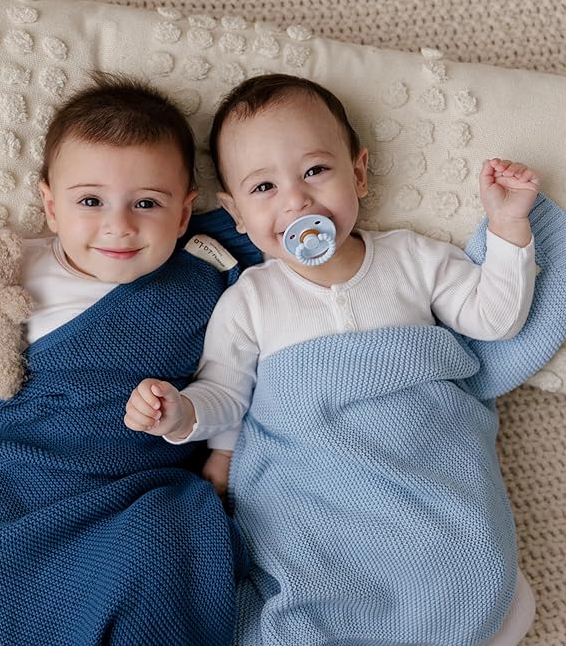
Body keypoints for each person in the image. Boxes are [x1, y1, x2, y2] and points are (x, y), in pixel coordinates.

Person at [124, 74, 542, 645]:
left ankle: (471, 610)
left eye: (316, 171)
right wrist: (181, 413)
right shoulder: (250, 301)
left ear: (359, 173)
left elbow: (494, 320)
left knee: (463, 568)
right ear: (237, 214)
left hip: (425, 467)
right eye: (264, 186)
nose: (296, 200)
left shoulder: (412, 258)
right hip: (316, 492)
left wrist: (508, 227)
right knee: (308, 590)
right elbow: (226, 393)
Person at [0, 71, 251, 646]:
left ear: (184, 214)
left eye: (147, 203)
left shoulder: (205, 282)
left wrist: (210, 439)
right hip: (16, 469)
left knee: (160, 551)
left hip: (135, 483)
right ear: (51, 206)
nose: (118, 225)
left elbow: (230, 381)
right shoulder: (22, 265)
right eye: (90, 201)